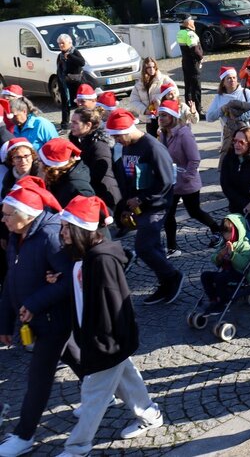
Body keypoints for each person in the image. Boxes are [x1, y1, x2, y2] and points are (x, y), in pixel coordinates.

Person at [56, 195, 165, 455]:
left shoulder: (102, 261)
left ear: (81, 229)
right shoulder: (83, 258)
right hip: (103, 340)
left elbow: (114, 307)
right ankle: (150, 414)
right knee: (126, 378)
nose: (62, 232)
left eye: (66, 227)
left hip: (107, 342)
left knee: (93, 396)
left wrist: (103, 343)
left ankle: (77, 446)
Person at [0, 183, 77, 457]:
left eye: (8, 214)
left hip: (54, 319)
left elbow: (70, 280)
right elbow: (11, 277)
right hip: (34, 319)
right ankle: (107, 394)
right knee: (78, 359)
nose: (3, 218)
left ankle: (24, 435)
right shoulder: (15, 234)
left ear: (28, 215)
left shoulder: (50, 235)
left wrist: (34, 303)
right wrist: (5, 322)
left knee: (38, 377)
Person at [106, 108, 184, 306]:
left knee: (143, 247)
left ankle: (172, 276)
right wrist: (126, 205)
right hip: (140, 206)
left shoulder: (152, 147)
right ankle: (166, 282)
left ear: (126, 130)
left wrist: (142, 200)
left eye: (117, 136)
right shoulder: (127, 147)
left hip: (156, 206)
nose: (117, 141)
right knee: (153, 246)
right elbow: (128, 178)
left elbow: (166, 181)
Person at [158, 100, 220, 256]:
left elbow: (195, 159)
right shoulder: (164, 134)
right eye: (160, 115)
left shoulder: (184, 134)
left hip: (187, 183)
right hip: (171, 182)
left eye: (164, 115)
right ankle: (172, 247)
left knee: (194, 211)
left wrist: (187, 176)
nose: (161, 118)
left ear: (172, 116)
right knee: (169, 214)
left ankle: (216, 229)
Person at [198, 214, 250, 314]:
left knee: (220, 278)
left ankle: (223, 303)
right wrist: (219, 256)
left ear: (236, 231)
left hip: (238, 274)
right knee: (205, 276)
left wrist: (233, 255)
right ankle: (213, 299)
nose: (225, 235)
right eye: (224, 232)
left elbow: (244, 264)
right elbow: (213, 259)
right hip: (225, 272)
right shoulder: (224, 243)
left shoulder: (244, 245)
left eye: (228, 232)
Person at [69, 106, 121, 211]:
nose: (71, 125)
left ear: (88, 125)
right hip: (92, 194)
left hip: (106, 197)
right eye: (71, 122)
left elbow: (98, 173)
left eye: (75, 123)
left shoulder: (99, 146)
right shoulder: (79, 140)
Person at [206, 66, 250, 157]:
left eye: (234, 77)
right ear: (223, 82)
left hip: (248, 134)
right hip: (229, 138)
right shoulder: (219, 97)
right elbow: (209, 117)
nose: (232, 80)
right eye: (228, 78)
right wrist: (222, 109)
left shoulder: (245, 92)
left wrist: (240, 118)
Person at [38, 138, 94, 207]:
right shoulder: (58, 177)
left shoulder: (78, 189)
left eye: (41, 160)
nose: (38, 163)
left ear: (49, 167)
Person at [126, 58, 170, 136]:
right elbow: (133, 101)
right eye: (149, 67)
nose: (152, 69)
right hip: (149, 119)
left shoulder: (164, 79)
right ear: (144, 69)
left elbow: (174, 92)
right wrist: (144, 110)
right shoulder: (139, 84)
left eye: (153, 67)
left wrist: (159, 101)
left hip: (163, 117)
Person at [56, 33, 87, 131]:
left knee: (80, 104)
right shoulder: (60, 55)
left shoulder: (74, 52)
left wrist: (70, 56)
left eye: (62, 43)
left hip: (76, 83)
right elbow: (59, 69)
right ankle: (64, 125)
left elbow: (82, 62)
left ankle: (83, 122)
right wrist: (60, 82)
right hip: (65, 83)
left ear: (69, 43)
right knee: (65, 104)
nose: (61, 45)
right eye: (59, 44)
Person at [176, 16, 204, 115]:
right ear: (187, 22)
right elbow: (195, 50)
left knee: (188, 86)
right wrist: (201, 58)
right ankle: (198, 110)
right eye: (192, 19)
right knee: (196, 87)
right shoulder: (190, 34)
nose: (193, 21)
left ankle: (189, 108)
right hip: (193, 63)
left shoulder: (180, 32)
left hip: (185, 62)